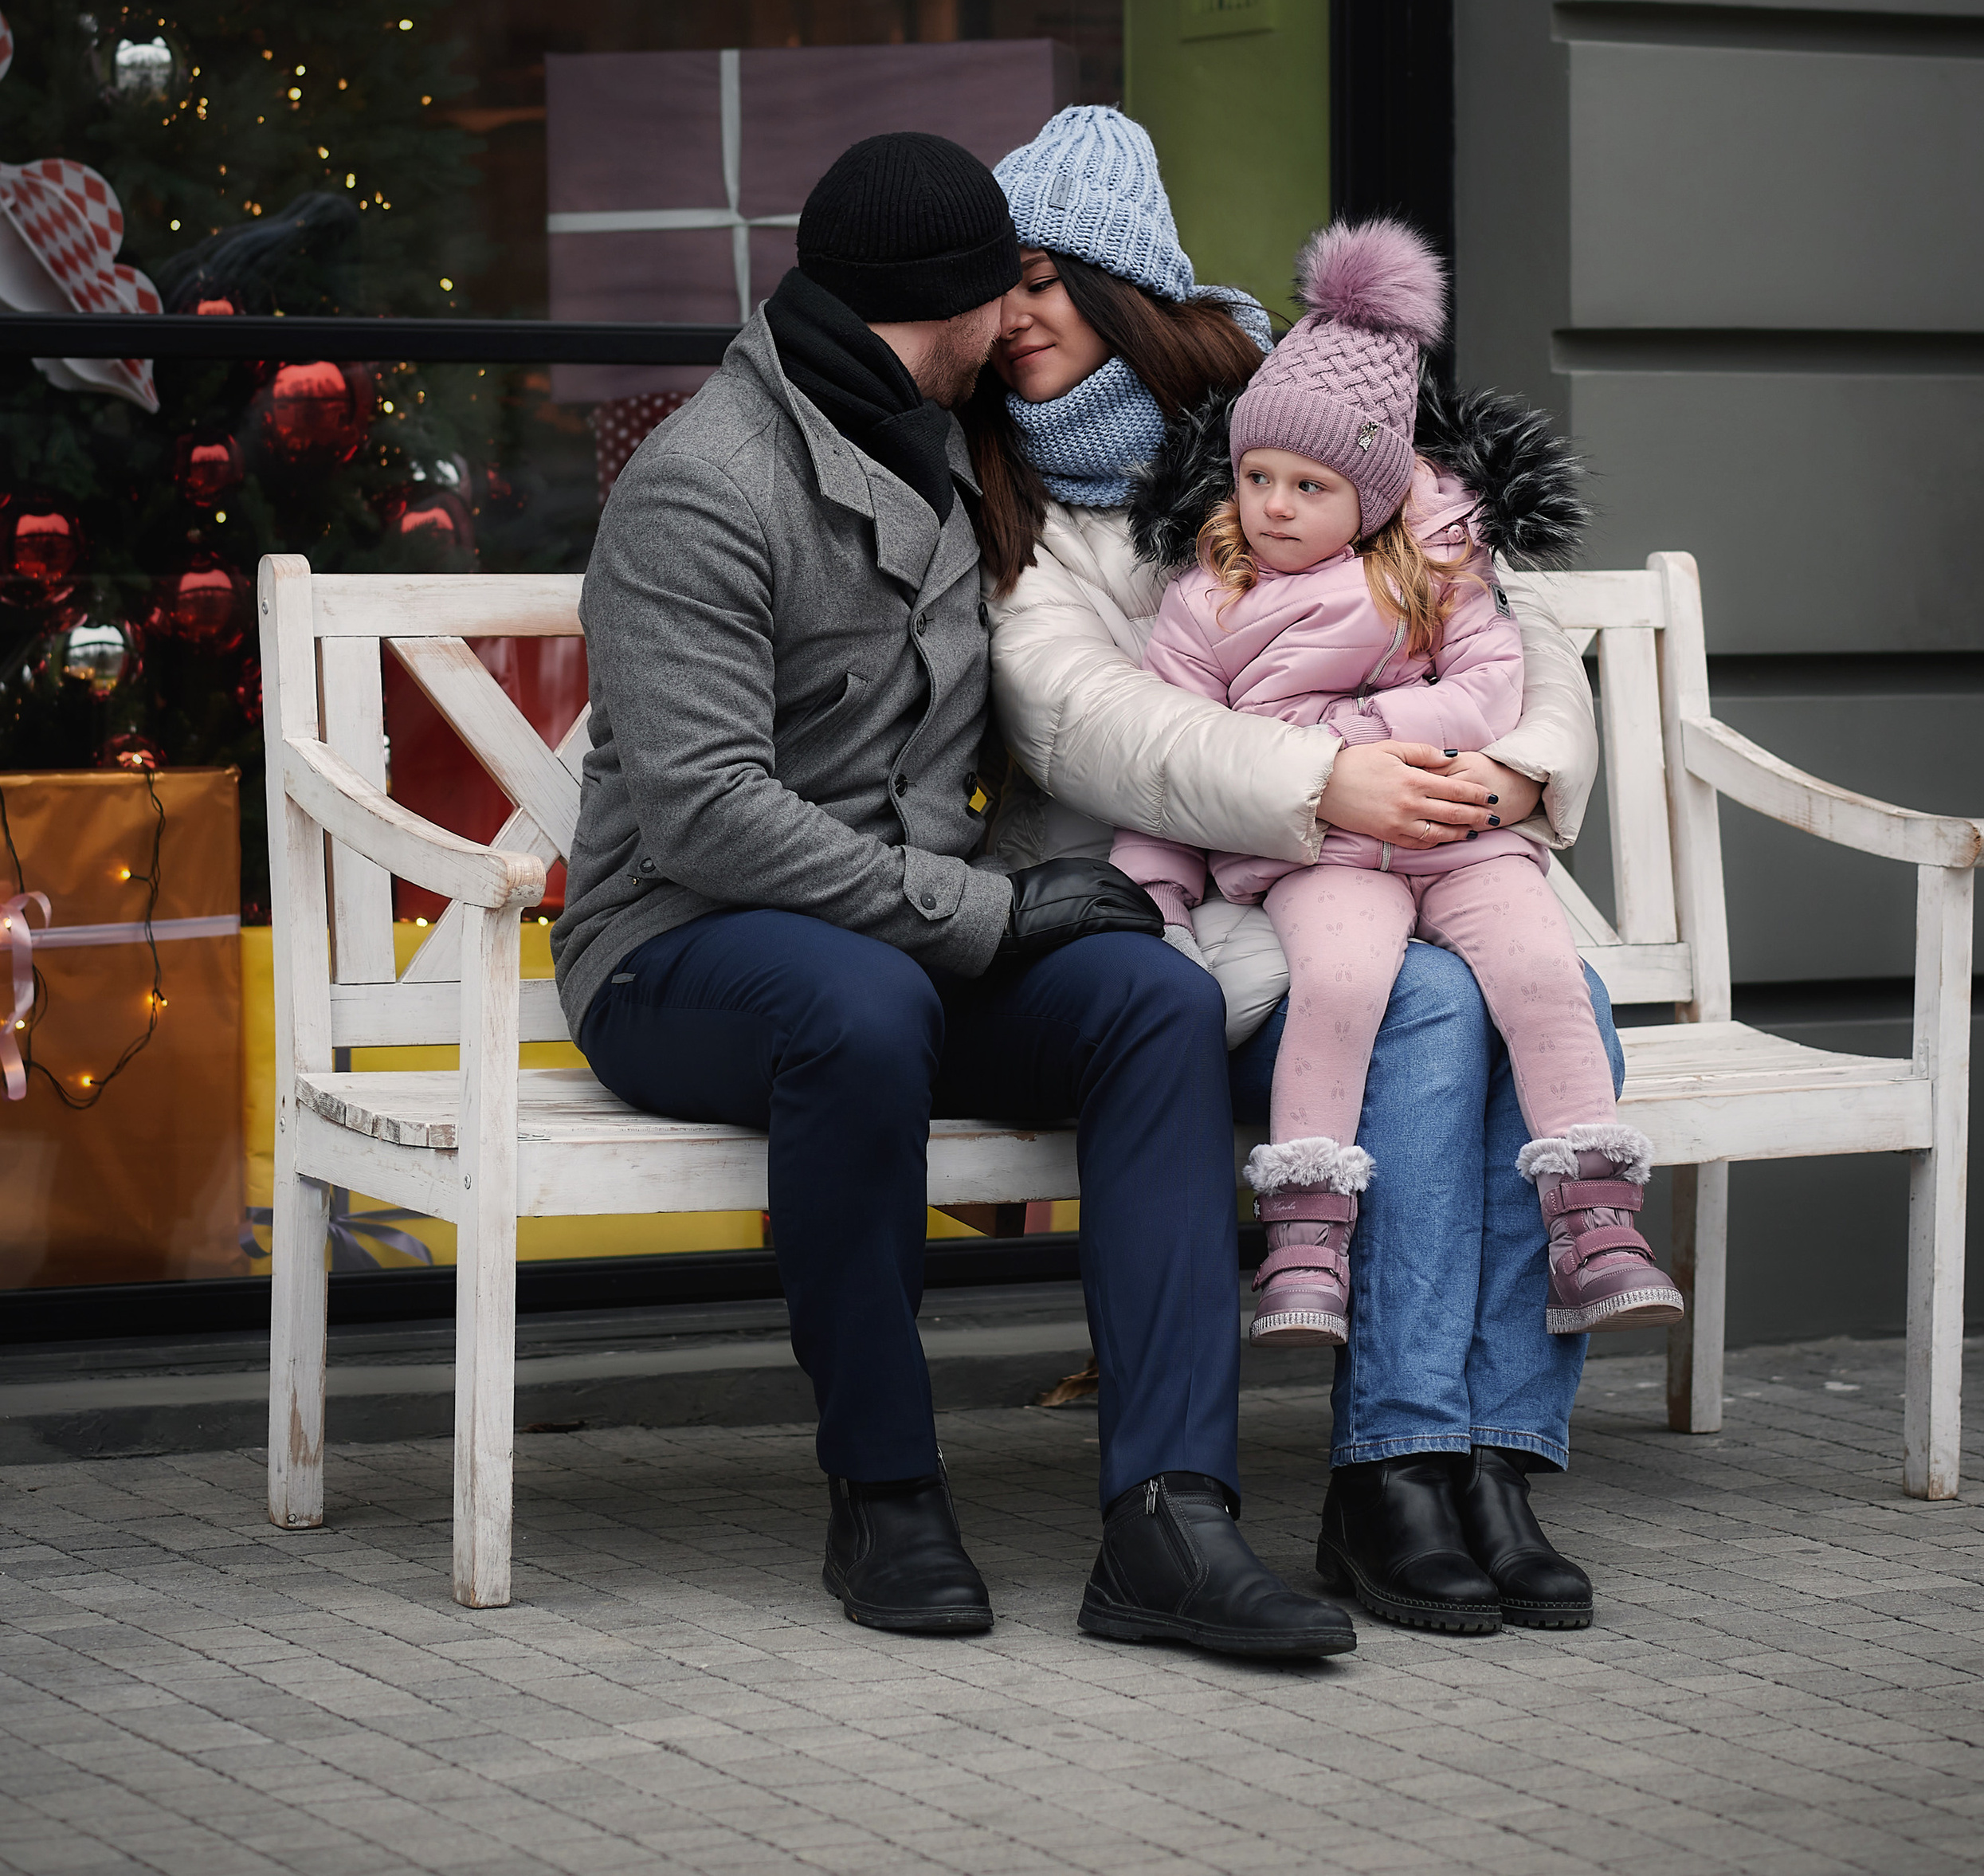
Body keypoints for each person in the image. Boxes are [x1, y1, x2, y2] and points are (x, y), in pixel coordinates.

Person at [552, 128, 1355, 1662]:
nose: (1024, 323)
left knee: (1148, 998)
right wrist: (995, 913)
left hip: (907, 934)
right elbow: (707, 816)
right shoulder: (703, 486)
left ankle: (1172, 1519)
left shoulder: (952, 436)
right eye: (1009, 290)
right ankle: (887, 1486)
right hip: (681, 950)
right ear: (952, 305)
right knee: (850, 1008)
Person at [974, 104, 1621, 1635]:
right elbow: (1080, 721)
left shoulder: (1308, 414)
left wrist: (1516, 769)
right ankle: (1393, 1465)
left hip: (1425, 847)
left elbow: (1509, 624)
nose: (1012, 321)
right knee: (1434, 1019)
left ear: (1126, 285)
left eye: (1044, 282)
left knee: (1567, 1004)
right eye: (997, 289)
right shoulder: (1018, 506)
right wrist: (1328, 780)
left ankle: (1493, 1458)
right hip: (1193, 905)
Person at [1108, 214, 1684, 1352]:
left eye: (1308, 485)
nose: (1273, 504)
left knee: (1539, 972)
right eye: (1258, 475)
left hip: (1458, 834)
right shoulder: (1204, 600)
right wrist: (1155, 892)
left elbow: (1488, 692)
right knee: (1342, 983)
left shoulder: (1438, 573)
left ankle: (1595, 1220)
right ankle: (1306, 1237)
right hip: (1320, 854)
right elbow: (1172, 749)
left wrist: (1356, 730)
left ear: (1371, 495)